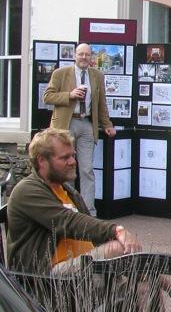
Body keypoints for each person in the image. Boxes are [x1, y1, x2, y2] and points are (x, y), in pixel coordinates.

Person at [7, 128, 141, 275]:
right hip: (48, 276)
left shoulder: (67, 191)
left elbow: (88, 224)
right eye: (65, 158)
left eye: (73, 156)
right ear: (42, 160)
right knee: (119, 248)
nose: (72, 162)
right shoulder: (27, 190)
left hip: (84, 267)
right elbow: (68, 222)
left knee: (148, 284)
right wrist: (116, 230)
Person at [43, 44, 116, 215]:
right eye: (81, 54)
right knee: (65, 167)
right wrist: (70, 95)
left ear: (92, 57)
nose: (84, 57)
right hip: (65, 124)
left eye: (87, 55)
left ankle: (89, 212)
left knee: (86, 169)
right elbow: (47, 96)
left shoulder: (97, 75)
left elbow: (101, 103)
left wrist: (107, 125)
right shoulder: (61, 73)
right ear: (75, 56)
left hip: (86, 124)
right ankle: (68, 208)